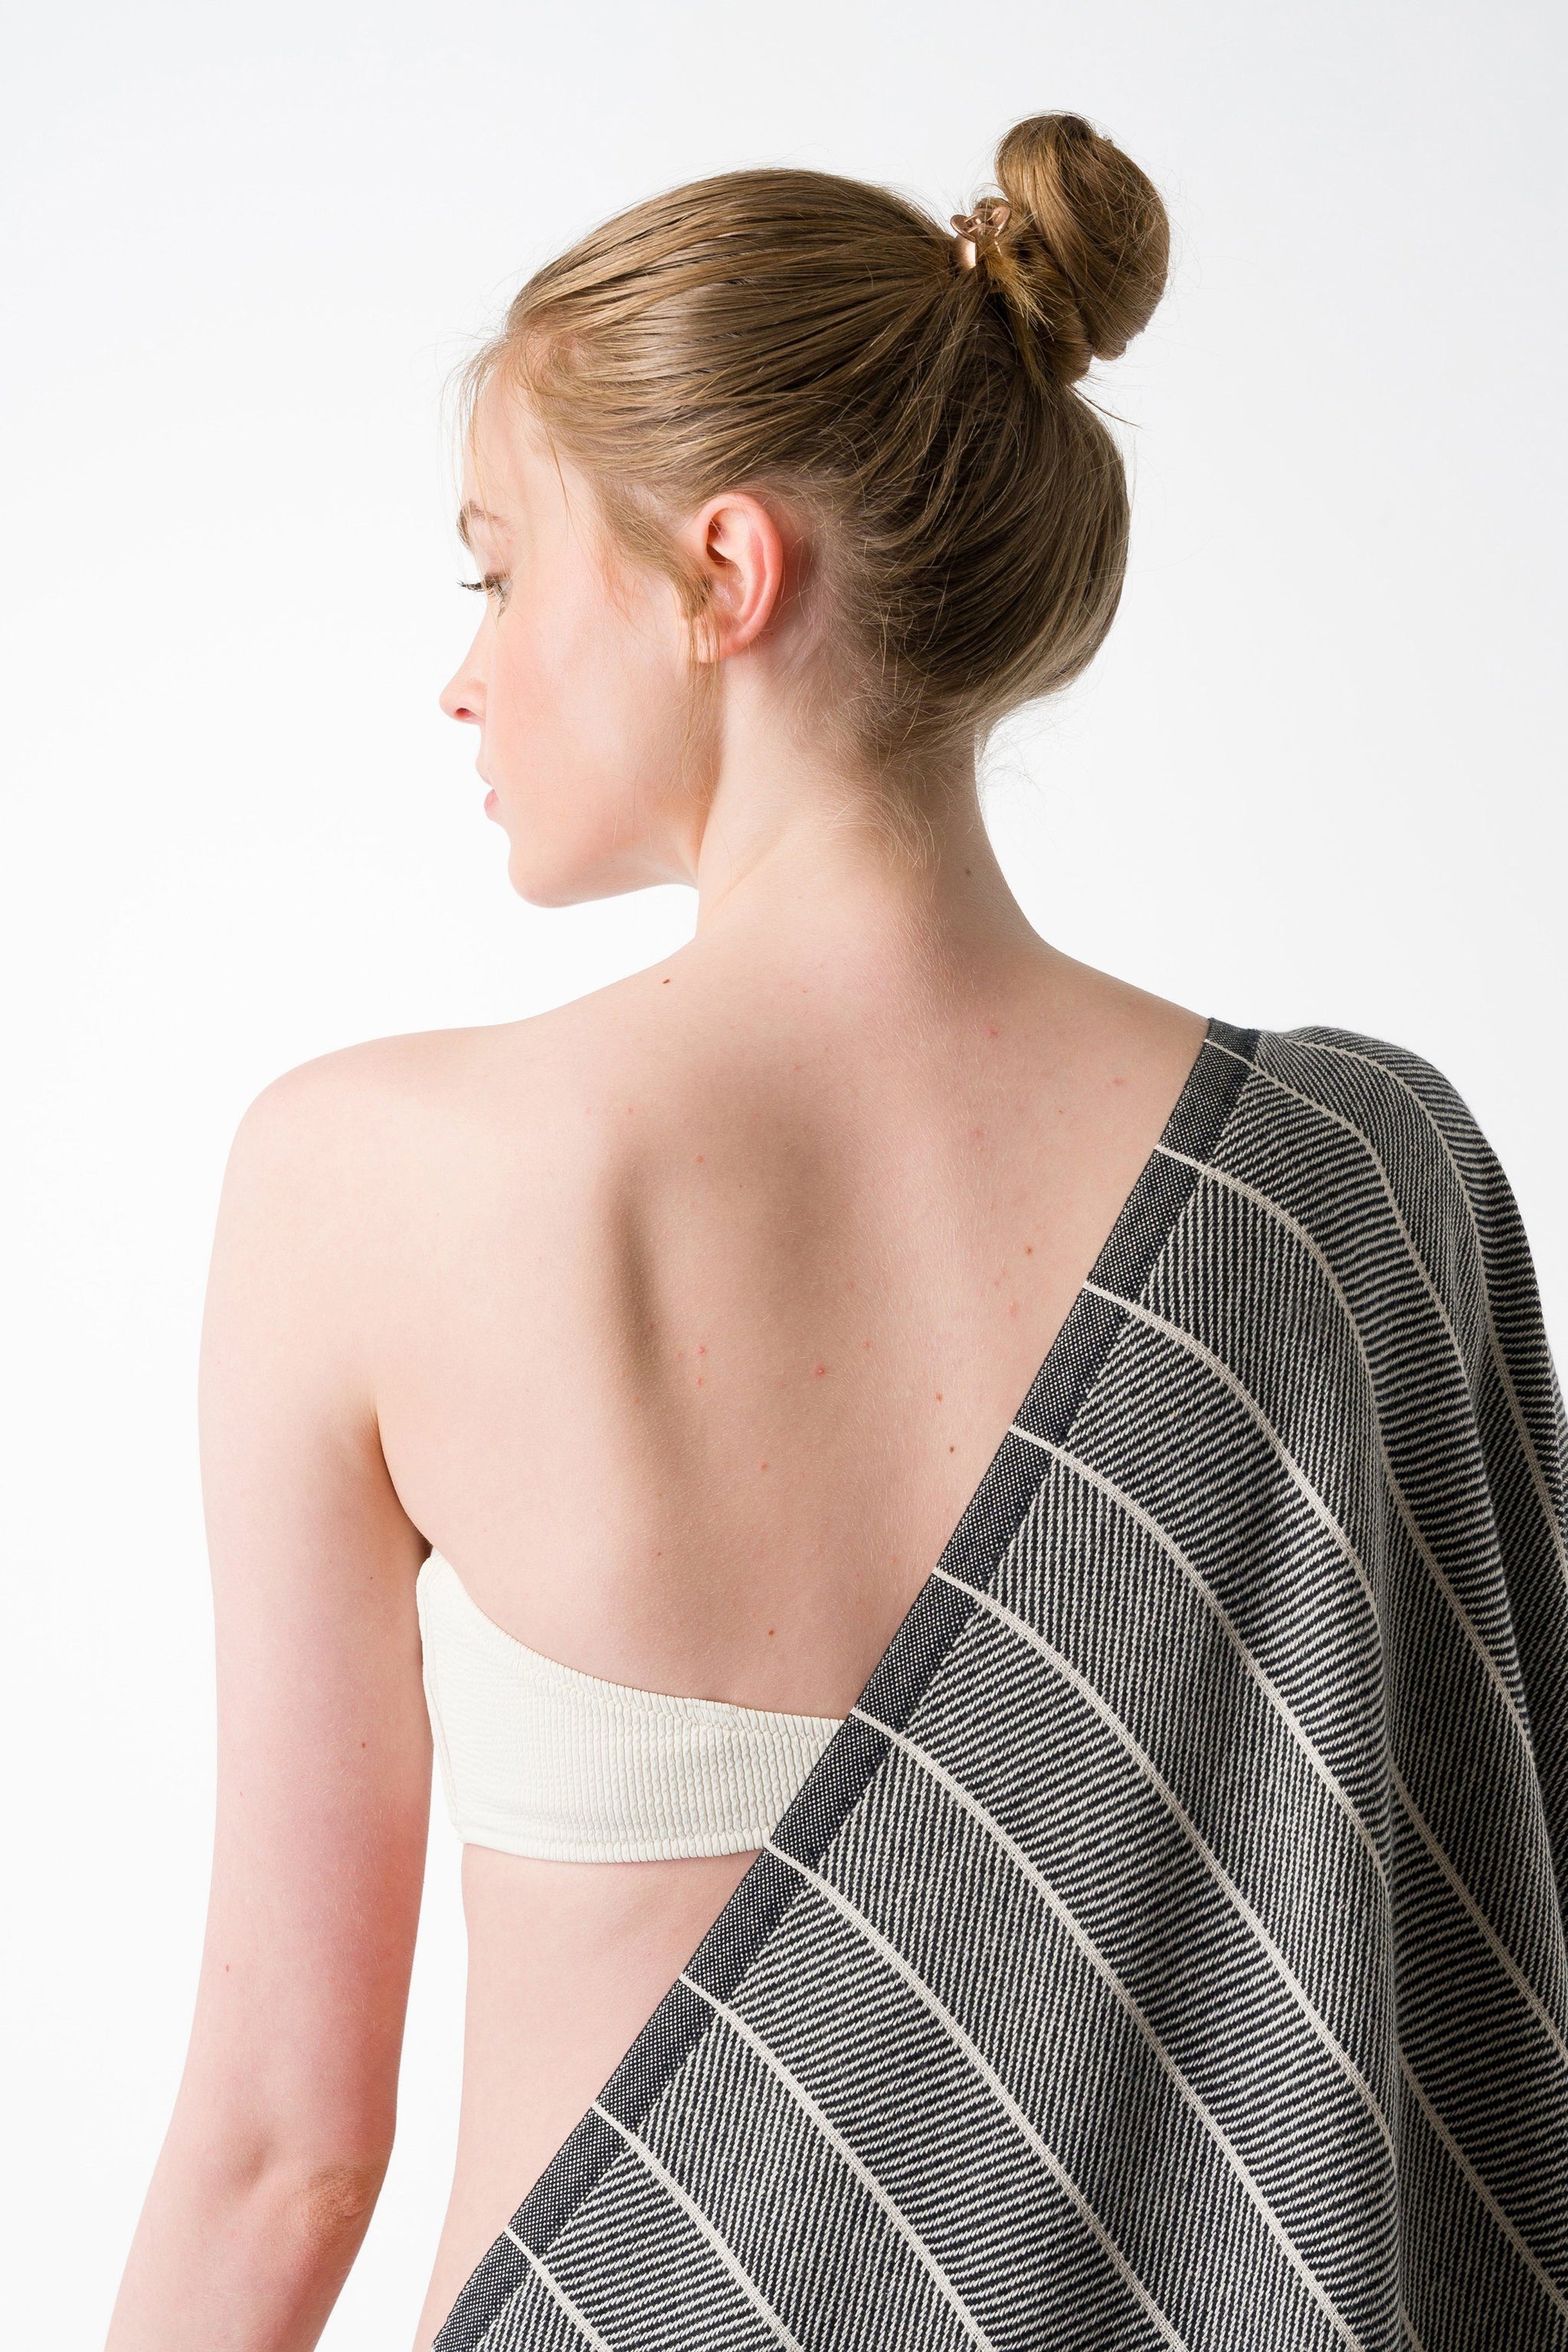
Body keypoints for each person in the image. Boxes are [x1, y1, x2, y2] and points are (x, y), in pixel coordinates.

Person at [105, 113, 1567, 2352]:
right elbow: (1475, 2020)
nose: (463, 675)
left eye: (496, 571)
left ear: (724, 572)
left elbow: (284, 2151)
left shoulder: (363, 1184)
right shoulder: (1353, 1181)